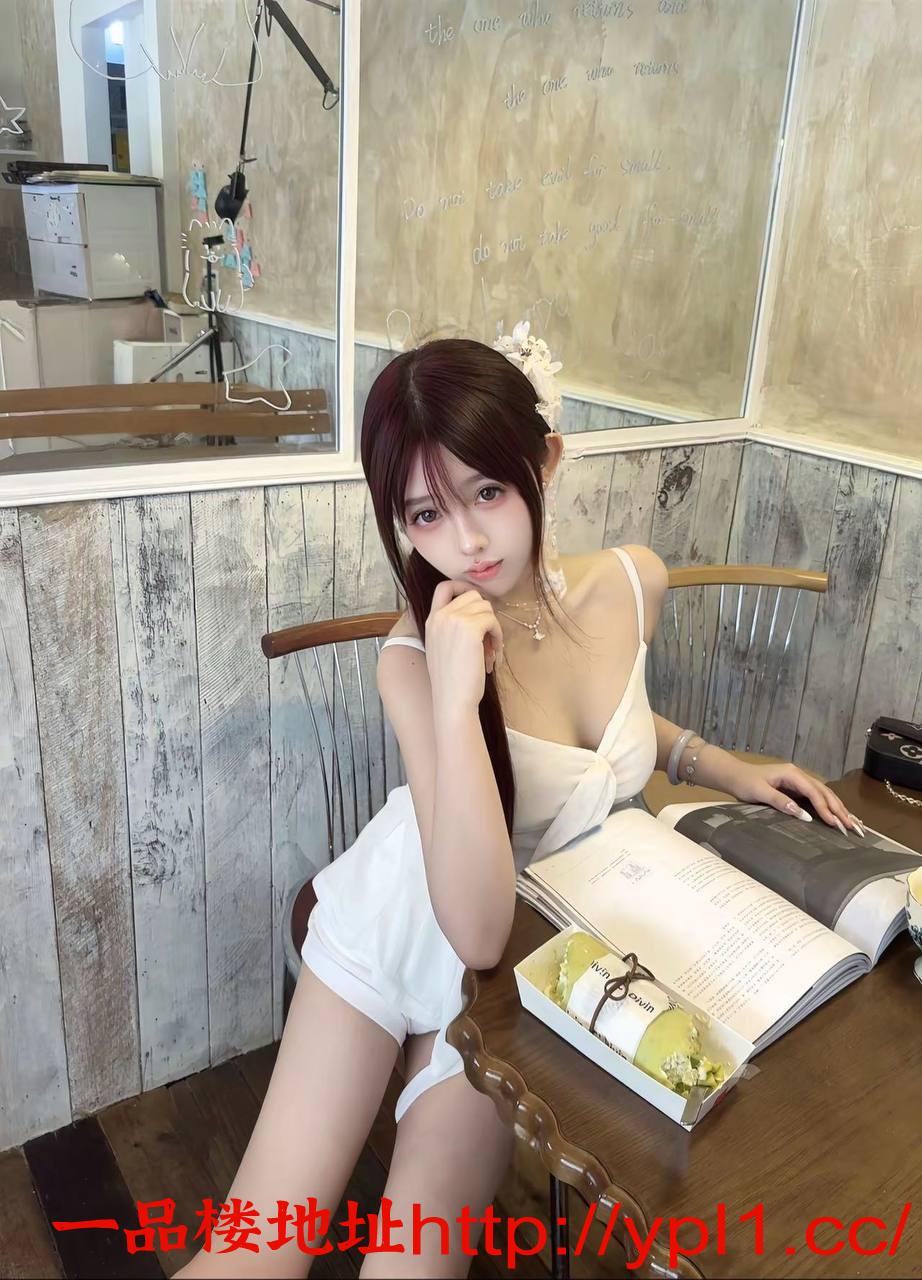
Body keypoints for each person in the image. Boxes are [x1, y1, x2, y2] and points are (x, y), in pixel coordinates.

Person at [177, 325, 862, 1279]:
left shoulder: (635, 583)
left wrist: (721, 765)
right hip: (411, 915)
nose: (464, 542)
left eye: (489, 493)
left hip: (527, 972)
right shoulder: (417, 659)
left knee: (413, 1266)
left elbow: (612, 728)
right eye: (425, 513)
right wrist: (456, 696)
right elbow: (475, 928)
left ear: (546, 461)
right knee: (257, 1257)